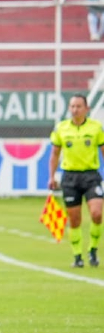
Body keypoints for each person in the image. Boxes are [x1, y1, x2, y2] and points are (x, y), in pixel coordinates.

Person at [49, 95, 104, 267]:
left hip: (91, 176)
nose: (75, 109)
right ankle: (77, 256)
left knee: (96, 214)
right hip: (70, 177)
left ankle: (93, 250)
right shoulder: (61, 128)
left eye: (78, 106)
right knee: (75, 220)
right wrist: (51, 176)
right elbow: (55, 154)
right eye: (72, 106)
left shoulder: (96, 128)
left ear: (86, 108)